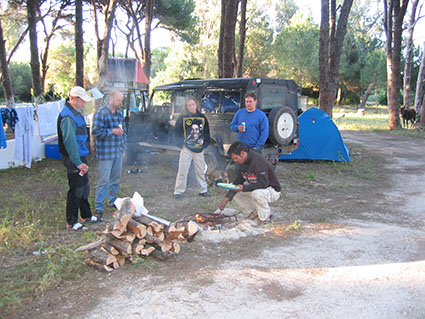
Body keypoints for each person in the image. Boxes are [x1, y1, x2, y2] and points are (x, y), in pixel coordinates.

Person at [57, 86, 100, 231]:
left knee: (84, 187)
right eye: (82, 101)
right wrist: (78, 162)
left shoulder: (76, 112)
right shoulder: (67, 116)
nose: (84, 104)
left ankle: (86, 215)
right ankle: (72, 221)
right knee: (76, 189)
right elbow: (70, 142)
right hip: (73, 157)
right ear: (74, 99)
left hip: (80, 155)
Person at [218, 141, 281, 224]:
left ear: (243, 154)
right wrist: (226, 200)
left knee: (257, 194)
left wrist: (243, 188)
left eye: (236, 158)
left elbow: (263, 183)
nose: (235, 161)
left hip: (271, 190)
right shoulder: (242, 163)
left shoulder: (259, 161)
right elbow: (238, 181)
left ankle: (265, 216)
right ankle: (252, 213)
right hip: (259, 189)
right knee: (234, 188)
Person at [92, 90, 126, 218]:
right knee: (103, 180)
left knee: (115, 179)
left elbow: (124, 131)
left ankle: (111, 200)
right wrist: (112, 131)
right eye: (118, 100)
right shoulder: (101, 112)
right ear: (111, 99)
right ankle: (99, 206)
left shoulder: (119, 113)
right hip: (106, 153)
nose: (120, 103)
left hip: (118, 151)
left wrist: (123, 145)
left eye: (121, 100)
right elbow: (96, 131)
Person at [173, 96, 212, 199]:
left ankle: (203, 190)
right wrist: (180, 144)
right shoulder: (182, 118)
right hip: (186, 148)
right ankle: (178, 191)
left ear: (196, 105)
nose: (191, 107)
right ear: (186, 106)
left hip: (199, 148)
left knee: (200, 170)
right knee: (183, 170)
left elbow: (207, 132)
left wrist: (204, 145)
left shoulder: (202, 118)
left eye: (193, 104)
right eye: (189, 105)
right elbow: (177, 132)